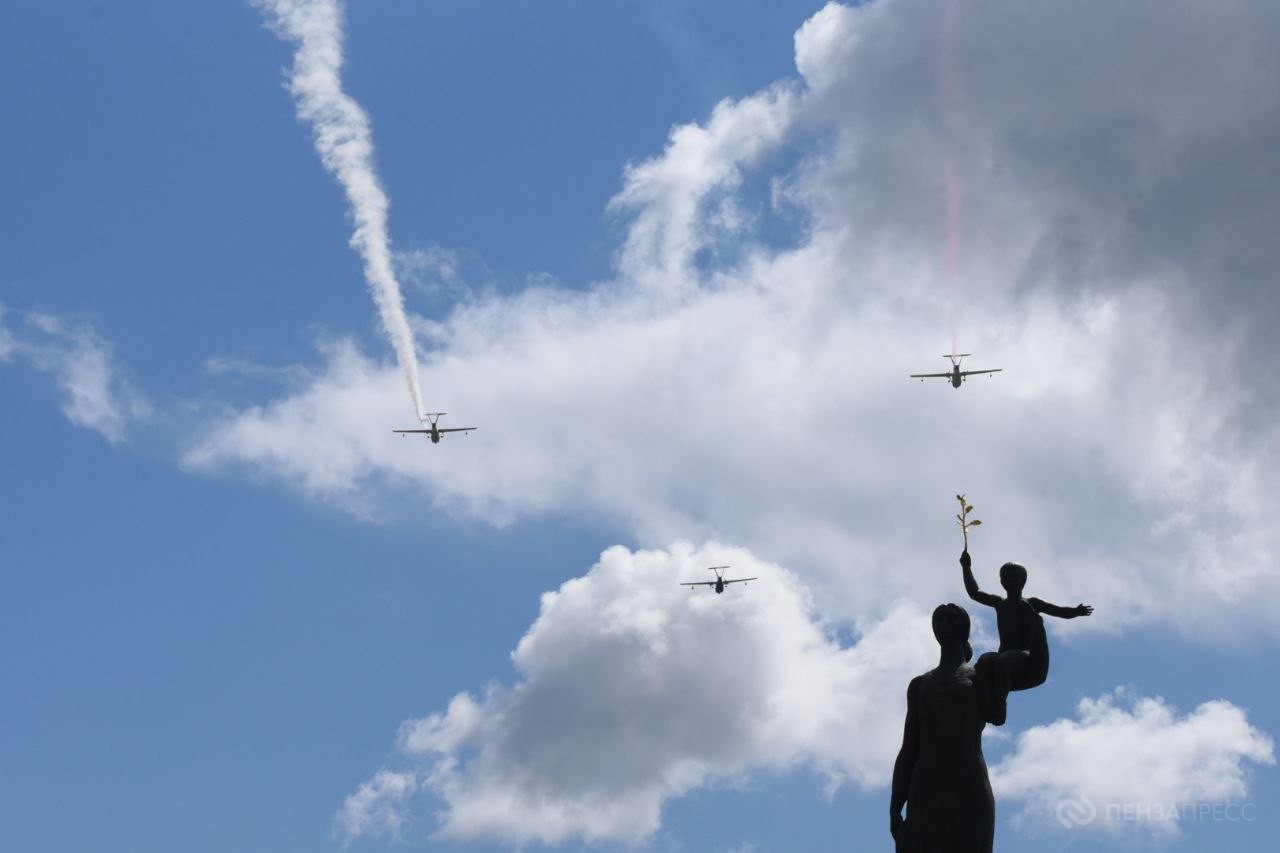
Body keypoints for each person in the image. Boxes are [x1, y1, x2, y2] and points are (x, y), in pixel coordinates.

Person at [890, 604, 1014, 853]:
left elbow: (998, 716)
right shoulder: (920, 685)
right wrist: (895, 806)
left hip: (969, 781)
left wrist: (999, 675)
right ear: (934, 630)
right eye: (940, 620)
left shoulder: (980, 676)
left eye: (953, 619)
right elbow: (909, 748)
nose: (946, 624)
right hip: (926, 783)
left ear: (965, 628)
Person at [961, 550, 1091, 690]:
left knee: (1003, 662)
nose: (1011, 579)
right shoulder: (1000, 603)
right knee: (984, 662)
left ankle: (999, 699)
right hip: (1003, 653)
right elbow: (974, 593)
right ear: (1002, 581)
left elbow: (1058, 611)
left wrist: (1076, 611)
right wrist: (966, 567)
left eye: (1015, 576)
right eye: (1007, 577)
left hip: (1024, 655)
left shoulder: (1031, 604)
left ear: (1024, 580)